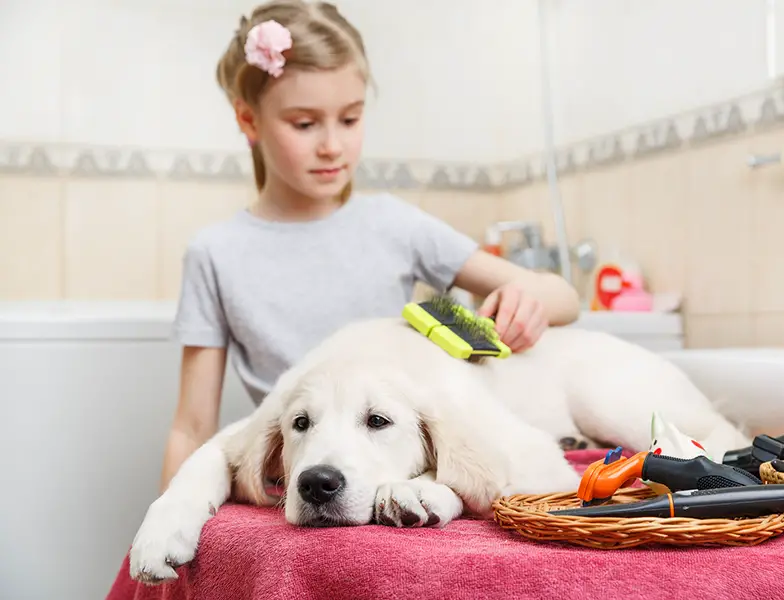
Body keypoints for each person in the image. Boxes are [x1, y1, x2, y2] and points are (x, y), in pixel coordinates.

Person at [158, 0, 581, 492]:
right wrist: (168, 529)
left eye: (350, 119)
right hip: (314, 480)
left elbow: (565, 299)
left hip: (391, 474)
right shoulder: (217, 253)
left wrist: (529, 303)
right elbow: (190, 427)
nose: (332, 145)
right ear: (249, 120)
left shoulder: (394, 225)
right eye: (304, 123)